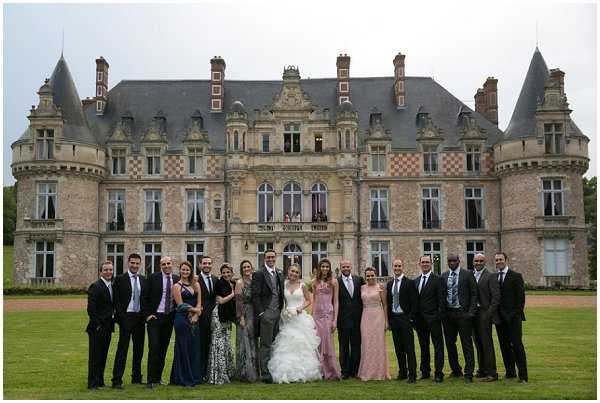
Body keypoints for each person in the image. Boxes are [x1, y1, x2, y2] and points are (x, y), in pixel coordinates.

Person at [268, 264, 322, 383]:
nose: (294, 273)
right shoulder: (283, 285)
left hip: (299, 317)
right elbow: (281, 300)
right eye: (292, 271)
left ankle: (304, 371)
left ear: (299, 274)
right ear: (288, 271)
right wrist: (284, 311)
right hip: (287, 318)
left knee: (301, 344)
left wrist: (300, 308)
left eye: (297, 272)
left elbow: (309, 300)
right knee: (286, 345)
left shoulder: (302, 286)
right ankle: (286, 371)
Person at [142, 256, 179, 389]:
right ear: (160, 266)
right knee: (154, 348)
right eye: (164, 264)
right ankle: (150, 380)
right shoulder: (153, 278)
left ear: (172, 264)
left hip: (169, 318)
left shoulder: (176, 279)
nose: (166, 266)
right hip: (155, 318)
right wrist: (147, 315)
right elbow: (144, 297)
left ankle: (158, 378)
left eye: (168, 263)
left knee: (163, 349)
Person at [440, 254, 478, 383]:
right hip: (448, 314)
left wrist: (470, 313)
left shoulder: (467, 274)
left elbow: (474, 294)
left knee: (466, 344)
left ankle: (469, 373)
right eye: (449, 261)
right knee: (450, 344)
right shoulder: (444, 276)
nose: (451, 263)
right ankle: (456, 370)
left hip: (463, 314)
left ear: (458, 261)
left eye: (454, 261)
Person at [111, 253, 146, 389]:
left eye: (137, 263)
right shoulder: (120, 279)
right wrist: (122, 317)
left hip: (139, 318)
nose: (135, 265)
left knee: (139, 350)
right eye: (133, 263)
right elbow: (117, 300)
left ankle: (136, 377)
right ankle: (116, 380)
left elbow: (145, 299)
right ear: (128, 263)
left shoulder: (143, 280)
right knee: (123, 349)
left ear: (140, 264)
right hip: (126, 318)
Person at [494, 252, 528, 383]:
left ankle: (523, 376)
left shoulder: (516, 276)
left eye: (500, 259)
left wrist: (515, 315)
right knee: (504, 346)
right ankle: (510, 372)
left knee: (517, 346)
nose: (498, 262)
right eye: (496, 260)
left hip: (514, 318)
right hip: (500, 319)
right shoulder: (495, 277)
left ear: (506, 260)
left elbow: (521, 299)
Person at [251, 249, 284, 383]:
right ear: (264, 259)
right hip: (266, 313)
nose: (270, 259)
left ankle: (274, 370)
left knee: (275, 343)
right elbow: (255, 295)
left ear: (275, 258)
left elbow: (280, 292)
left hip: (278, 313)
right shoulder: (259, 273)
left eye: (272, 257)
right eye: (268, 257)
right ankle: (265, 374)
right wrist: (261, 313)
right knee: (265, 344)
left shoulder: (279, 272)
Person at [169, 261, 203, 386]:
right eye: (183, 270)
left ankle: (194, 376)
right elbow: (181, 305)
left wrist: (196, 315)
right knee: (183, 347)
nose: (185, 272)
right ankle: (182, 377)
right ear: (180, 271)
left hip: (195, 320)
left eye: (187, 270)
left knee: (193, 348)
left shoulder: (196, 284)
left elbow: (199, 302)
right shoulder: (176, 286)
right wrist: (196, 311)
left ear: (190, 271)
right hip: (182, 320)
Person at [386, 259, 418, 383]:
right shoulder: (390, 284)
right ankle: (402, 372)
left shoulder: (409, 283)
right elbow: (389, 303)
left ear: (402, 267)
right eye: (395, 266)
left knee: (409, 348)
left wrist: (410, 318)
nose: (397, 268)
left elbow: (414, 303)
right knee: (398, 348)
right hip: (394, 319)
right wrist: (389, 319)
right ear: (392, 267)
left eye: (399, 266)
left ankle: (412, 374)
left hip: (405, 318)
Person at [414, 255, 445, 383]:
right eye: (423, 262)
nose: (425, 264)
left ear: (431, 264)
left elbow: (442, 301)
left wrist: (437, 316)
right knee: (423, 346)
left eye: (427, 262)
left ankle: (438, 373)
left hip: (434, 319)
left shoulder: (438, 280)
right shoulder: (415, 281)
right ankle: (425, 371)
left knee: (438, 346)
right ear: (419, 264)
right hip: (420, 321)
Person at [357, 267, 390, 381]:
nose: (370, 277)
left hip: (378, 316)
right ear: (365, 276)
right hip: (365, 316)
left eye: (372, 275)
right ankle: (366, 371)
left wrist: (386, 321)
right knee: (367, 344)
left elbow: (385, 305)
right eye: (368, 276)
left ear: (375, 275)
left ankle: (379, 372)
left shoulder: (380, 287)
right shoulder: (362, 288)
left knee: (378, 344)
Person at [86, 261, 115, 389]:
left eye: (110, 270)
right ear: (101, 272)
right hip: (97, 328)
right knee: (95, 356)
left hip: (107, 327)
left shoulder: (111, 285)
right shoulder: (96, 286)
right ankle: (92, 383)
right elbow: (91, 309)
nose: (109, 272)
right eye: (106, 270)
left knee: (103, 355)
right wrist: (98, 324)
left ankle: (100, 381)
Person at [206, 263, 237, 385]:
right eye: (224, 272)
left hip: (227, 318)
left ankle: (227, 373)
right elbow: (221, 301)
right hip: (218, 316)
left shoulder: (233, 283)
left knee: (226, 344)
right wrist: (233, 294)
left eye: (228, 272)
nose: (226, 274)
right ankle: (217, 375)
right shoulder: (219, 284)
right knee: (218, 345)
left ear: (232, 272)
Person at [472, 253, 500, 382]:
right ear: (473, 262)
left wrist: (488, 314)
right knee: (478, 343)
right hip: (473, 314)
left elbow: (496, 298)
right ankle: (481, 370)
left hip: (484, 313)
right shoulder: (471, 275)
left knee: (487, 343)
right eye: (476, 261)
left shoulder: (491, 276)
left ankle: (492, 373)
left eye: (480, 261)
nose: (478, 263)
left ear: (485, 262)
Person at [312, 258, 341, 380]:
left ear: (329, 269)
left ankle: (331, 371)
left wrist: (335, 320)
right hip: (317, 316)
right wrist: (311, 317)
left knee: (328, 343)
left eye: (327, 267)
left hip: (328, 314)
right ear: (319, 268)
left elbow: (336, 301)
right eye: (322, 266)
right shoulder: (314, 282)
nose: (325, 269)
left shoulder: (334, 282)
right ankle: (320, 371)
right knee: (318, 343)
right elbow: (314, 300)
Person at [337, 260, 364, 379]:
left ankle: (355, 370)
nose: (346, 268)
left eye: (348, 266)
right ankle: (345, 371)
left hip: (357, 319)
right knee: (343, 346)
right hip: (342, 319)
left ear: (351, 267)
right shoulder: (336, 282)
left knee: (356, 345)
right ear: (340, 268)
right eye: (343, 267)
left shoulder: (359, 280)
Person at [235, 260, 259, 382]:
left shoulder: (254, 281)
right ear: (241, 269)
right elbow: (238, 302)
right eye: (244, 267)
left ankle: (254, 370)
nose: (246, 269)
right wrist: (241, 317)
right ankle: (244, 372)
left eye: (248, 266)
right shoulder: (239, 283)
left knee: (253, 341)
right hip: (245, 313)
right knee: (244, 342)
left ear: (251, 267)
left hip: (253, 313)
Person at [197, 256, 218, 382]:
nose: (207, 265)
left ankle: (210, 373)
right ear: (200, 265)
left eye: (209, 263)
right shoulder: (196, 279)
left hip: (214, 318)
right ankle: (200, 373)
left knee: (212, 346)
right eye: (204, 263)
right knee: (201, 346)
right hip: (200, 317)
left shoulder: (215, 279)